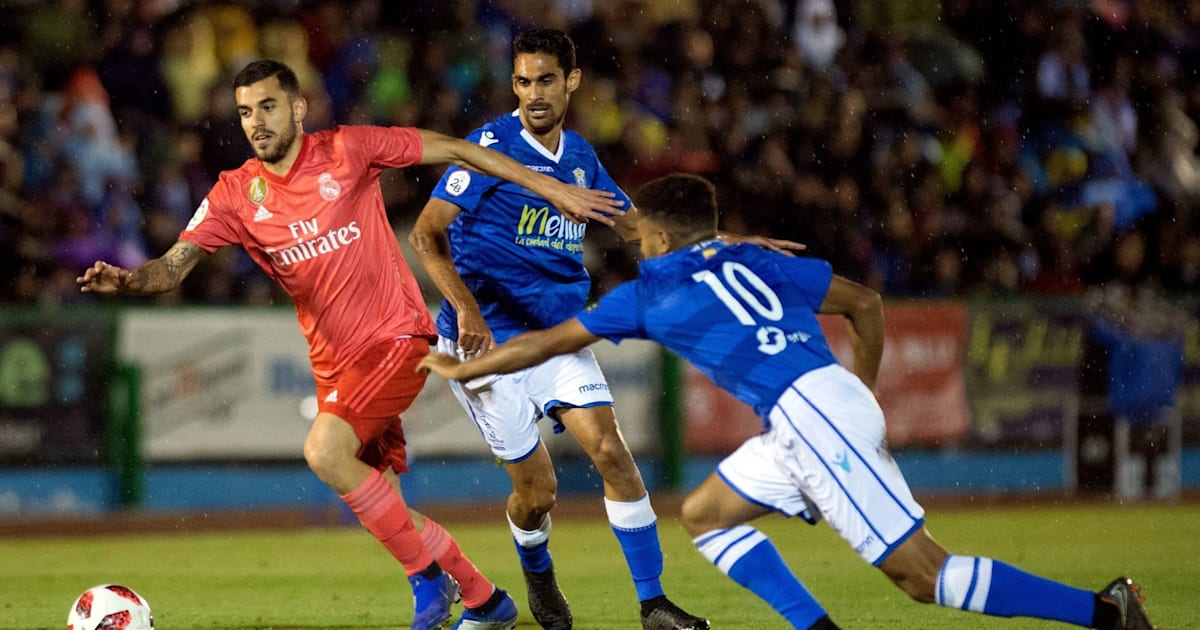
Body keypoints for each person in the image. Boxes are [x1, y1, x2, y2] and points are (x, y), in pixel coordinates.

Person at [418, 172, 1160, 630]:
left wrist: (455, 371)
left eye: (641, 234)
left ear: (659, 235)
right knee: (705, 515)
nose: (635, 244)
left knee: (922, 577)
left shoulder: (651, 291)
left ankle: (1104, 612)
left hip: (811, 417)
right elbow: (867, 305)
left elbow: (545, 343)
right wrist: (859, 404)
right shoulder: (756, 257)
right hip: (826, 403)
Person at [77, 59, 625, 630]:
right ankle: (486, 600)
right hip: (335, 365)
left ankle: (427, 583)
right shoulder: (236, 194)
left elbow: (459, 151)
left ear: (297, 108)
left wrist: (545, 183)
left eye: (267, 107)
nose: (255, 122)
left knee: (323, 451)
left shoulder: (350, 149)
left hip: (400, 339)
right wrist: (130, 279)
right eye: (244, 112)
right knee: (379, 501)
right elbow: (172, 267)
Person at [410, 28, 796, 630]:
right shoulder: (491, 146)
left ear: (572, 81)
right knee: (537, 494)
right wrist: (465, 308)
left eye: (544, 80)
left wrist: (731, 246)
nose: (533, 93)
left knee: (613, 452)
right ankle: (537, 572)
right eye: (522, 81)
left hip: (558, 335)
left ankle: (653, 604)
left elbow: (640, 230)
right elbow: (425, 234)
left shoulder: (583, 159)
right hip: (488, 340)